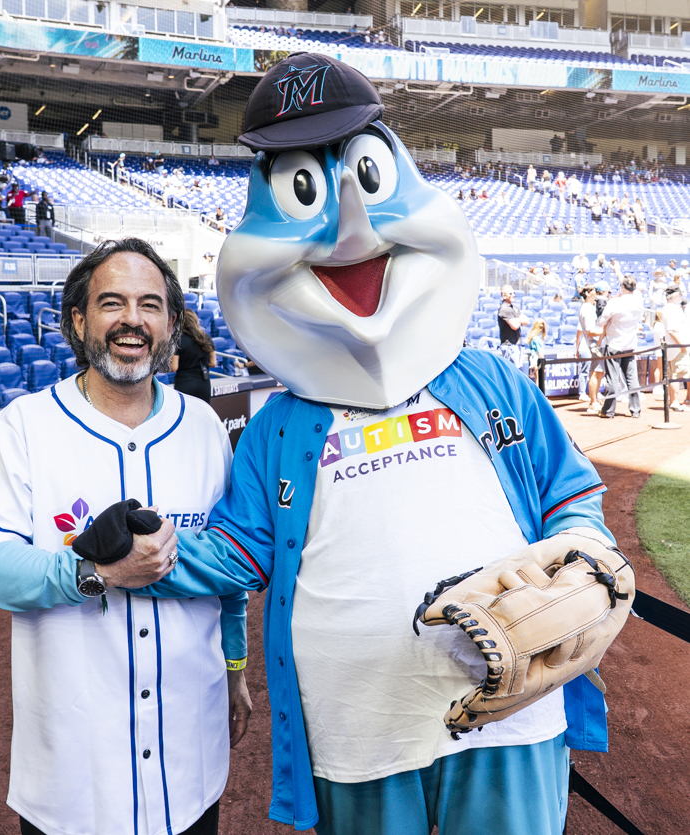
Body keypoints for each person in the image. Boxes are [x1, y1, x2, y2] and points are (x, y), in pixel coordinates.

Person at [113, 53, 620, 835]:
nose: (350, 227)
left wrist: (582, 554)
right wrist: (155, 551)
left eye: (365, 177)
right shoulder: (280, 426)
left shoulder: (487, 378)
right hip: (357, 735)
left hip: (509, 720)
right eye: (304, 188)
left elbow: (568, 494)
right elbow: (241, 551)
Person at [0, 238, 252, 835]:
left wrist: (236, 666)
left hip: (185, 761)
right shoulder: (23, 427)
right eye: (111, 303)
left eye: (149, 304)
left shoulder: (202, 427)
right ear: (79, 318)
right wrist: (98, 574)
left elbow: (229, 573)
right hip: (73, 772)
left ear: (170, 323)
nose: (132, 320)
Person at [597, 275, 643, 419]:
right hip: (629, 344)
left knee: (613, 380)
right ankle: (635, 410)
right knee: (631, 378)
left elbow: (601, 322)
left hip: (615, 344)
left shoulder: (615, 302)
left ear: (623, 287)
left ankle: (608, 410)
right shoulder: (638, 301)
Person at [170, 309, 217, 403]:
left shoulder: (178, 339)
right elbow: (213, 363)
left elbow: (174, 367)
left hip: (185, 383)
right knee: (202, 414)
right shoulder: (205, 338)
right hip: (204, 383)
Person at [576, 285, 605, 413]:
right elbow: (590, 331)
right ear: (587, 293)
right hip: (595, 345)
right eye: (594, 291)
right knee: (595, 372)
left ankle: (595, 399)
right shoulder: (587, 308)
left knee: (599, 372)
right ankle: (593, 402)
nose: (596, 293)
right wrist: (604, 332)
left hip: (597, 345)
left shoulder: (589, 307)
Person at [661, 286, 690, 411]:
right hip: (678, 348)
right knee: (678, 375)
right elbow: (672, 330)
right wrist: (682, 346)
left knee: (675, 374)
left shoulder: (669, 308)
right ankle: (674, 402)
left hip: (674, 347)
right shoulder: (673, 309)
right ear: (676, 296)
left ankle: (674, 401)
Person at [497, 284, 529, 365]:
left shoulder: (514, 308)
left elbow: (526, 321)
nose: (513, 295)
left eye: (513, 293)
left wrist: (517, 320)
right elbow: (515, 326)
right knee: (512, 371)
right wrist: (519, 319)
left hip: (516, 344)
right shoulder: (504, 309)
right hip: (509, 345)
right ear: (504, 296)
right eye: (510, 294)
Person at [527, 319, 547, 393]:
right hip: (537, 359)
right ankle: (540, 396)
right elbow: (539, 353)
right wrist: (543, 363)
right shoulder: (536, 339)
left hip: (534, 358)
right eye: (540, 327)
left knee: (537, 378)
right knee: (538, 378)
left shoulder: (534, 338)